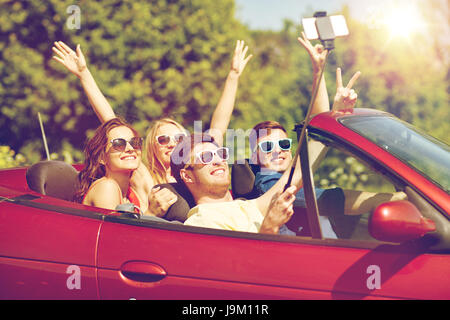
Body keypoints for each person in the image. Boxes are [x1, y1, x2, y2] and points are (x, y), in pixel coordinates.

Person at [52, 40, 252, 216]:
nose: (172, 144)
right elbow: (112, 125)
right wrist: (84, 75)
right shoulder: (144, 177)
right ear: (151, 148)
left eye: (179, 139)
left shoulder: (202, 169)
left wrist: (233, 76)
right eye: (163, 140)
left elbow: (217, 128)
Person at [74, 117, 150, 215]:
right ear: (102, 157)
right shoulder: (106, 187)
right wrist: (152, 213)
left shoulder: (132, 194)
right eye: (118, 144)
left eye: (135, 142)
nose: (130, 148)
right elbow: (115, 230)